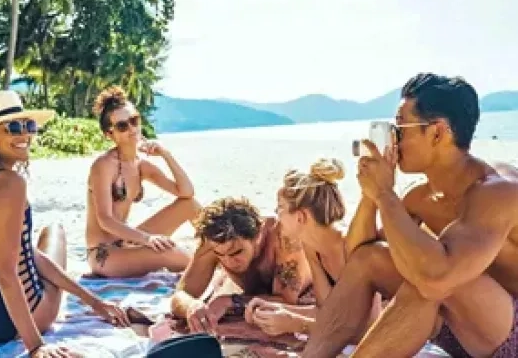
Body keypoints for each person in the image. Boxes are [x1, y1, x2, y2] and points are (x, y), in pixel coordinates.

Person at [302, 73, 518, 358]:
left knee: (429, 284)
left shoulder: (499, 192)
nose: (394, 138)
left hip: (510, 337)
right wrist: (372, 196)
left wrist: (385, 196)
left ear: (437, 132)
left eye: (400, 128)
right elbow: (357, 258)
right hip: (462, 329)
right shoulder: (420, 197)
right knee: (375, 258)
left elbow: (437, 279)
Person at [0, 91, 131, 358]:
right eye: (12, 127)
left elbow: (2, 252)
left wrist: (93, 302)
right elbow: (6, 274)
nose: (25, 135)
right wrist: (36, 346)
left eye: (28, 125)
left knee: (31, 246)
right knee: (55, 232)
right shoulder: (8, 183)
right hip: (10, 322)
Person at [243, 159, 382, 337]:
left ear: (301, 217)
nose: (277, 218)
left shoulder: (351, 247)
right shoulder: (313, 249)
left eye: (281, 209)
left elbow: (370, 327)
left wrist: (297, 324)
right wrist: (279, 310)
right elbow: (326, 313)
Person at [86, 85, 200, 277]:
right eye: (122, 126)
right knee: (173, 255)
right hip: (104, 254)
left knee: (189, 205)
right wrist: (148, 239)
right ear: (109, 134)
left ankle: (219, 247)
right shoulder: (103, 166)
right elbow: (105, 219)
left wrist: (166, 155)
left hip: (126, 242)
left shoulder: (141, 165)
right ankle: (210, 261)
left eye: (134, 120)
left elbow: (186, 193)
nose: (132, 128)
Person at [170, 196, 313, 334]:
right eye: (220, 255)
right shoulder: (214, 242)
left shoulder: (284, 239)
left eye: (236, 253)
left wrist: (230, 301)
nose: (228, 262)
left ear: (257, 236)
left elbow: (287, 301)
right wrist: (191, 306)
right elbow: (180, 295)